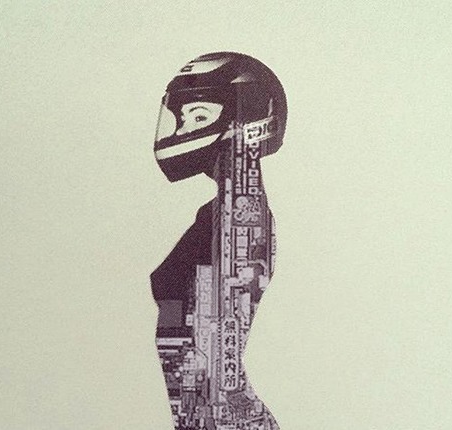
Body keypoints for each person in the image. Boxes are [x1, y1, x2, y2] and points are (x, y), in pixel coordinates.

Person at [151, 52, 287, 430]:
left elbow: (214, 348)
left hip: (209, 400)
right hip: (198, 399)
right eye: (182, 118)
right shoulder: (221, 212)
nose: (182, 130)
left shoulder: (237, 215)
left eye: (198, 117)